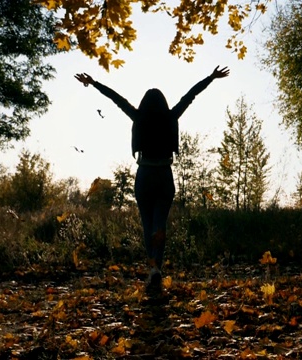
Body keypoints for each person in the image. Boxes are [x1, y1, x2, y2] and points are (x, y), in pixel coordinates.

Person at [74, 66, 230, 292]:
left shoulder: (138, 115)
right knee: (159, 223)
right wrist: (211, 78)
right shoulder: (170, 116)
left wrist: (93, 82)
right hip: (164, 175)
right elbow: (190, 95)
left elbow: (116, 98)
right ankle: (157, 265)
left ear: (144, 103)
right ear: (164, 103)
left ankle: (153, 268)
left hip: (145, 174)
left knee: (148, 225)